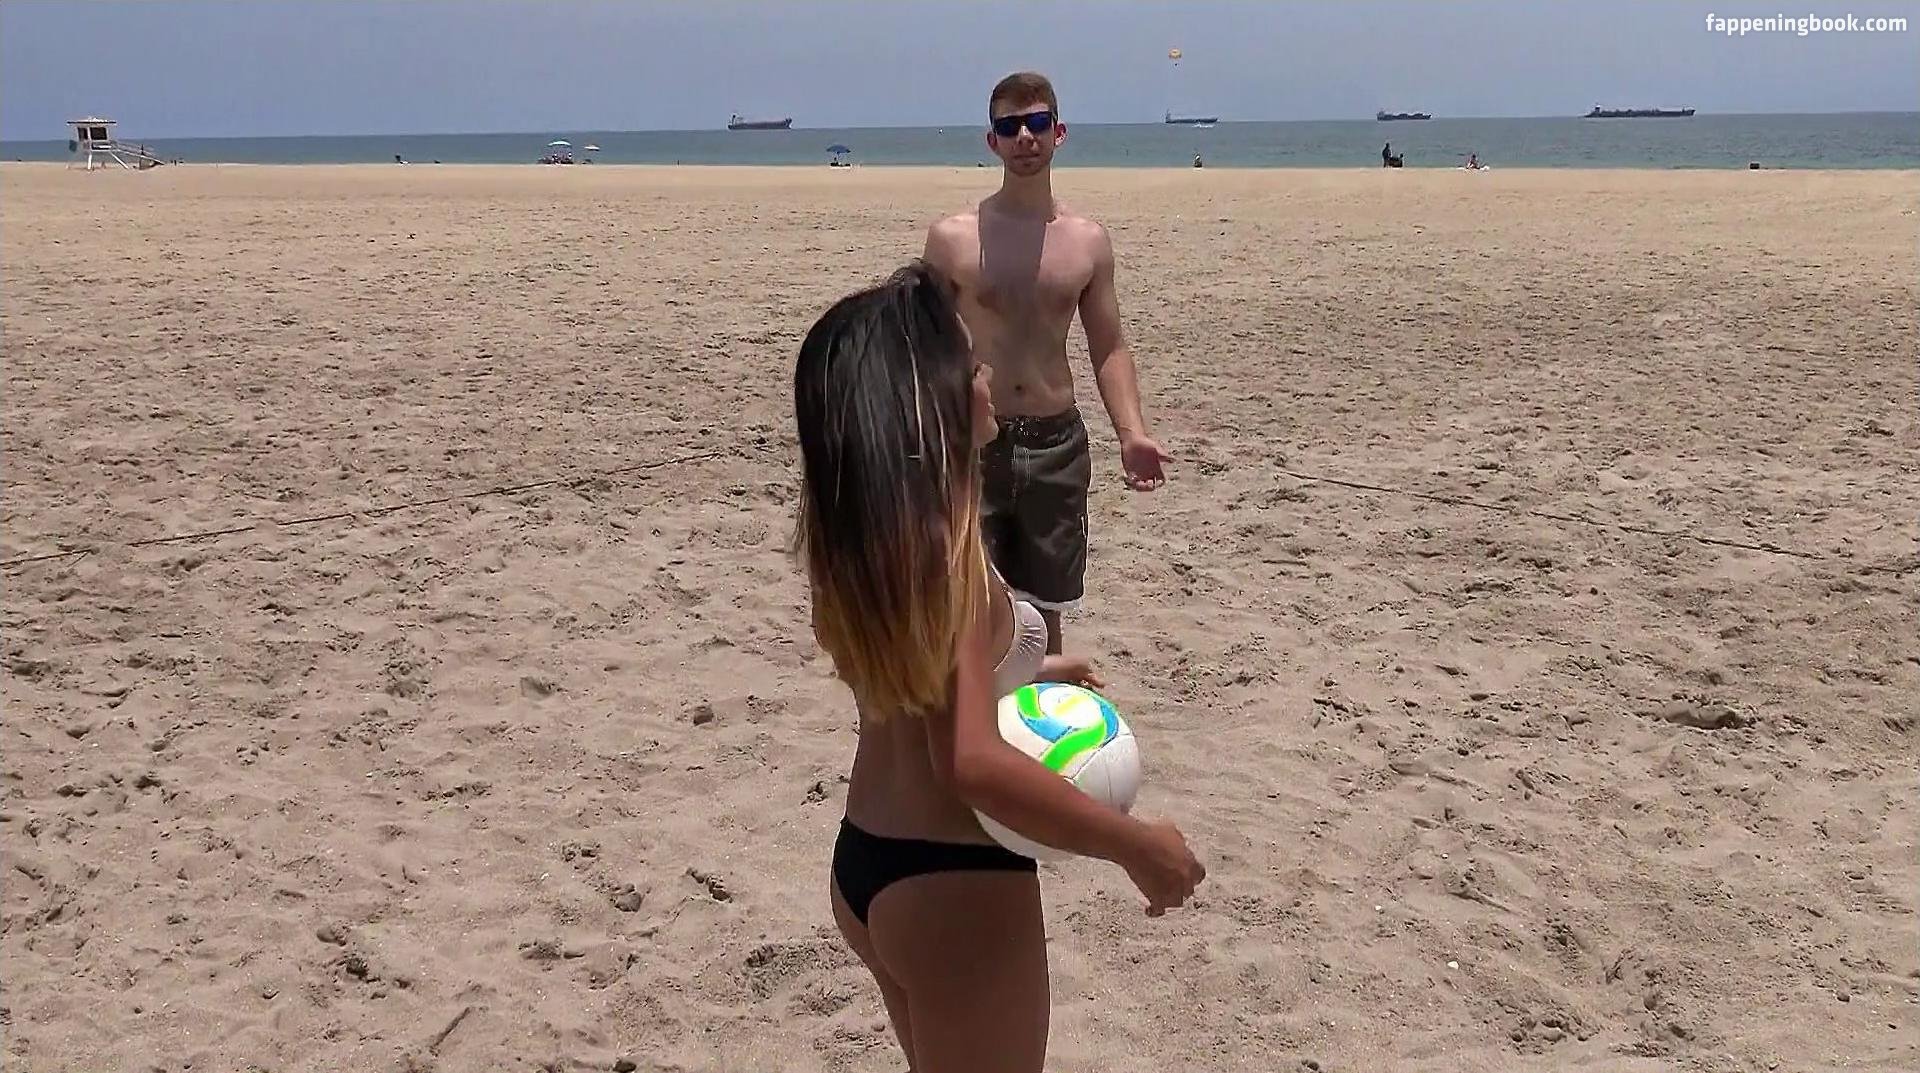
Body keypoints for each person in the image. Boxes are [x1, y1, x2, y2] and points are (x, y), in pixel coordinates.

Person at [793, 262, 1205, 1073]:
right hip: (954, 882)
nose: (986, 373)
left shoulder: (873, 541)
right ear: (932, 396)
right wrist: (1136, 845)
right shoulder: (952, 561)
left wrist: (1027, 670)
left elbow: (919, 687)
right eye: (969, 359)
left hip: (867, 855)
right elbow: (971, 762)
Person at [921, 71, 1172, 657]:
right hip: (973, 440)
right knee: (966, 608)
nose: (1025, 137)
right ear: (993, 142)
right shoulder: (952, 240)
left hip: (1056, 444)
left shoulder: (1087, 242)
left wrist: (1132, 433)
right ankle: (973, 717)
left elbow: (1109, 345)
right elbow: (924, 345)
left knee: (1043, 616)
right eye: (1010, 127)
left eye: (1036, 123)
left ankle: (1042, 714)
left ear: (1058, 133)